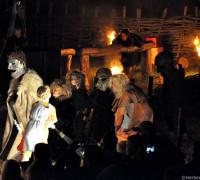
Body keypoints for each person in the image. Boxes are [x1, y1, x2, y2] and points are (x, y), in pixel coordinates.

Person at [0, 51, 43, 160]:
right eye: (9, 64)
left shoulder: (32, 81)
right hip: (15, 123)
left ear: (22, 64)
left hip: (25, 124)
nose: (9, 68)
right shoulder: (16, 81)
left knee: (20, 155)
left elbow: (33, 105)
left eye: (13, 64)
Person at [108, 74, 153, 142]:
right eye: (112, 84)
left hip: (137, 124)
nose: (113, 86)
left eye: (115, 83)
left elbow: (128, 114)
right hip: (139, 124)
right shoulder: (128, 92)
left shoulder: (127, 95)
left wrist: (121, 129)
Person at [17, 85, 57, 162]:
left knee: (26, 155)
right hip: (41, 133)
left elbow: (31, 116)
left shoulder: (35, 104)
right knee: (41, 155)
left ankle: (22, 171)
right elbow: (53, 122)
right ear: (49, 95)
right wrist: (52, 126)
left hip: (30, 130)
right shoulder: (52, 108)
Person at [155, 51, 188, 137]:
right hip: (171, 99)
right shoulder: (168, 76)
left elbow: (178, 92)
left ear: (167, 66)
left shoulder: (175, 76)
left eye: (161, 68)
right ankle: (172, 131)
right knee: (167, 113)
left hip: (177, 100)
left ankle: (184, 132)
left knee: (178, 114)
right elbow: (167, 88)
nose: (159, 71)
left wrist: (170, 101)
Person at [88, 68, 115, 144]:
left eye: (103, 79)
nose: (100, 82)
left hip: (107, 124)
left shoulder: (113, 93)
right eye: (98, 79)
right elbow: (89, 103)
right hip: (97, 122)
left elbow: (110, 108)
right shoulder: (97, 92)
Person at [66, 70, 89, 143]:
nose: (72, 80)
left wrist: (85, 114)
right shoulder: (72, 91)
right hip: (73, 115)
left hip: (80, 115)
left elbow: (87, 104)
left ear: (78, 80)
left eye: (74, 78)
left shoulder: (82, 92)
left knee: (79, 133)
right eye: (71, 78)